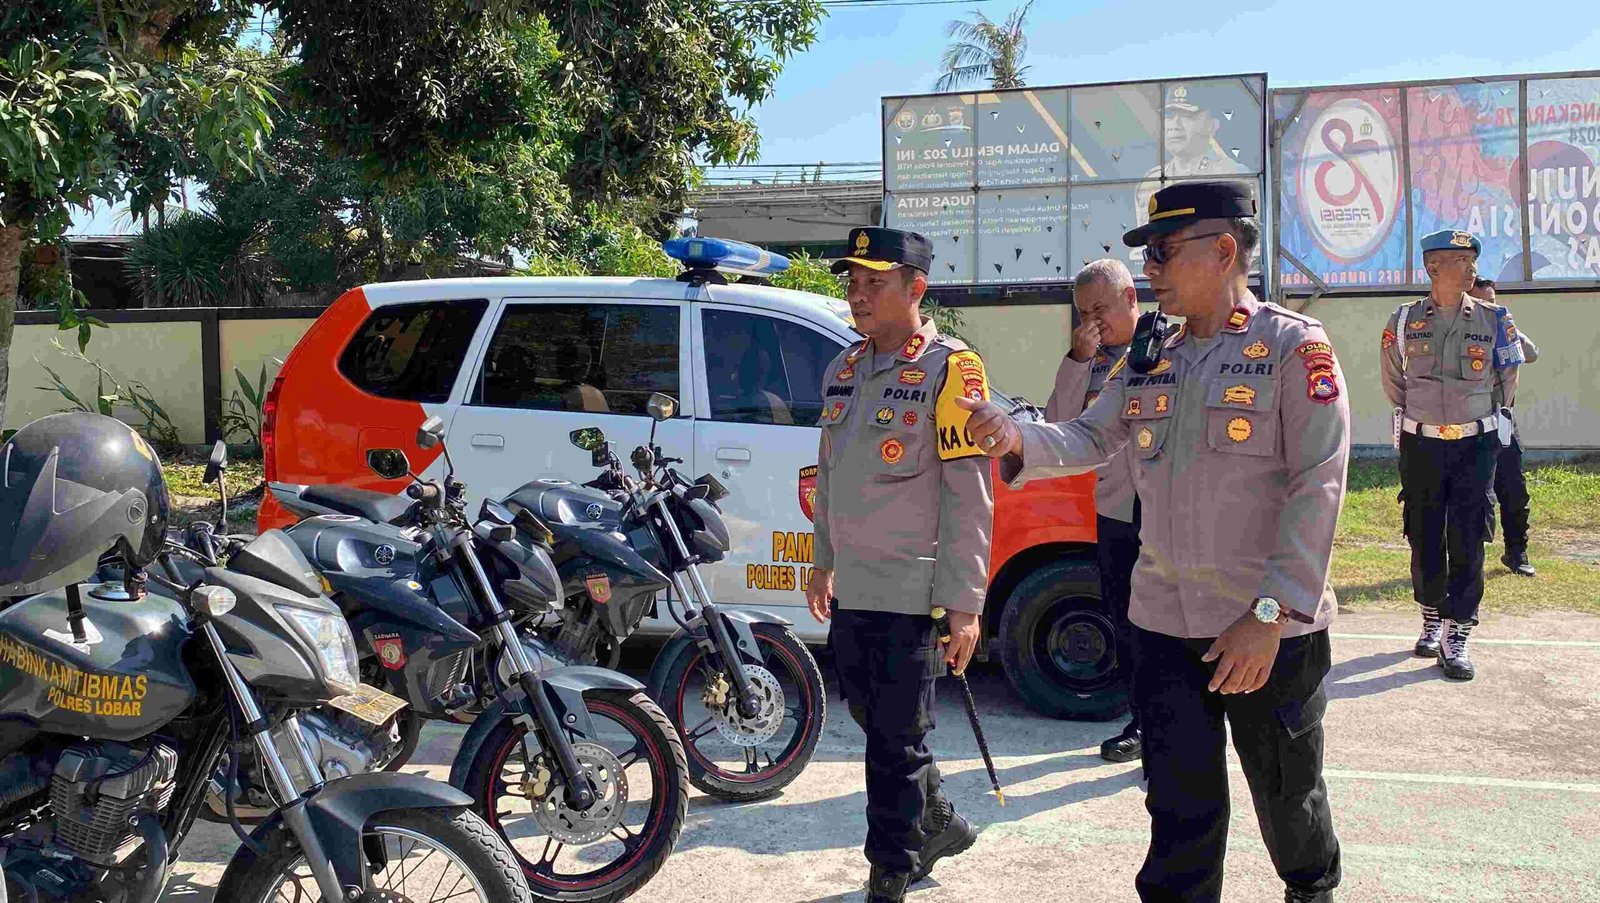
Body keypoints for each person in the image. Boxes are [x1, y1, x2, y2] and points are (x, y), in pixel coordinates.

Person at [957, 182, 1347, 903]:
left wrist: (1270, 615)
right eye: (1150, 254)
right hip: (1164, 622)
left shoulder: (1294, 348)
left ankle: (1312, 888)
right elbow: (1091, 434)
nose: (1152, 270)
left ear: (1224, 249)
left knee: (1288, 799)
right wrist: (1018, 436)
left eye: (1164, 252)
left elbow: (1318, 486)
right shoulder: (1151, 354)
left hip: (1267, 629)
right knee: (1178, 809)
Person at [806, 226, 996, 903]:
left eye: (873, 281)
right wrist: (821, 560)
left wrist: (966, 602)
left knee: (893, 740)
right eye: (852, 282)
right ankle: (938, 818)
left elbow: (969, 495)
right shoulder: (845, 369)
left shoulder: (952, 369)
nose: (857, 293)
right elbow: (829, 474)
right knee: (877, 718)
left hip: (914, 593)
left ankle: (892, 865)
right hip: (855, 584)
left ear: (915, 287)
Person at [1381, 233, 1522, 680]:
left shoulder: (1496, 318)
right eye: (1461, 261)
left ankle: (1458, 630)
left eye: (1472, 260)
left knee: (1468, 534)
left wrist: (1475, 418)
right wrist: (1424, 419)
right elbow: (1394, 380)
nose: (1471, 269)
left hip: (1473, 445)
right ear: (1433, 268)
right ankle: (1431, 613)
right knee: (1423, 532)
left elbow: (1507, 378)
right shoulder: (1403, 321)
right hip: (1421, 443)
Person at [1043, 258, 1144, 762]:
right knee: (1125, 615)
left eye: (1100, 309)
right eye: (1083, 313)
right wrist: (1077, 360)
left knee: (1175, 619)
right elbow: (1059, 425)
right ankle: (1141, 720)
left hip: (1169, 506)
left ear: (1130, 298)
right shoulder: (1092, 360)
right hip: (1117, 506)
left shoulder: (1165, 343)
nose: (1092, 322)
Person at [1468, 277, 1539, 577]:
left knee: (1513, 488)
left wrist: (1508, 330)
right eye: (1483, 302)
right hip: (1467, 423)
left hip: (1501, 421)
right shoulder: (1460, 332)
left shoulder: (1504, 329)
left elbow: (1533, 354)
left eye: (1493, 300)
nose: (1490, 307)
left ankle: (1516, 552)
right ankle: (1469, 555)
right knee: (1470, 493)